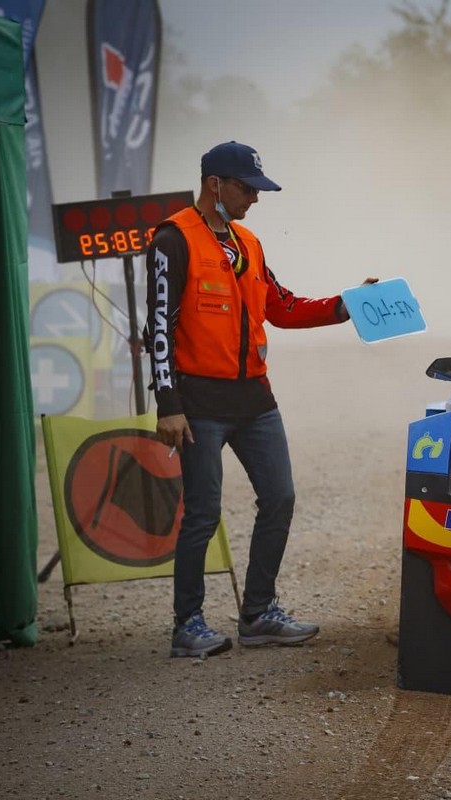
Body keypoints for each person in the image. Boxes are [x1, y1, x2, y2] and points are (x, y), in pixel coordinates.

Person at [146, 141, 375, 658]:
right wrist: (168, 404)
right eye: (247, 188)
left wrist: (345, 306)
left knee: (281, 498)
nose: (255, 198)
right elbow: (157, 326)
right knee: (203, 514)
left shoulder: (248, 241)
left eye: (257, 189)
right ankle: (188, 626)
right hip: (197, 404)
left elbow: (281, 306)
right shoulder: (171, 240)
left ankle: (258, 614)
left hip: (255, 401)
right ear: (215, 185)